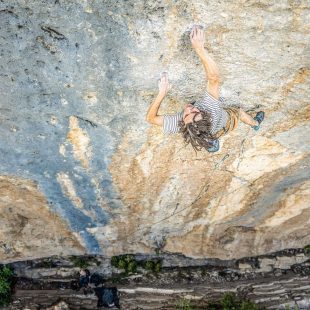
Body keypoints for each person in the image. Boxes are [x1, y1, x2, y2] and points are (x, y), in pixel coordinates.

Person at [146, 25, 265, 152]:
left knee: (199, 135)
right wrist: (199, 48)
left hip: (209, 129)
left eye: (186, 115)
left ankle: (209, 142)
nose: (188, 109)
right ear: (205, 114)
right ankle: (255, 124)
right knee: (239, 112)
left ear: (184, 125)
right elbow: (214, 79)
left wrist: (162, 94)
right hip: (226, 123)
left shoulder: (182, 124)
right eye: (195, 112)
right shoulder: (211, 110)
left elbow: (150, 119)